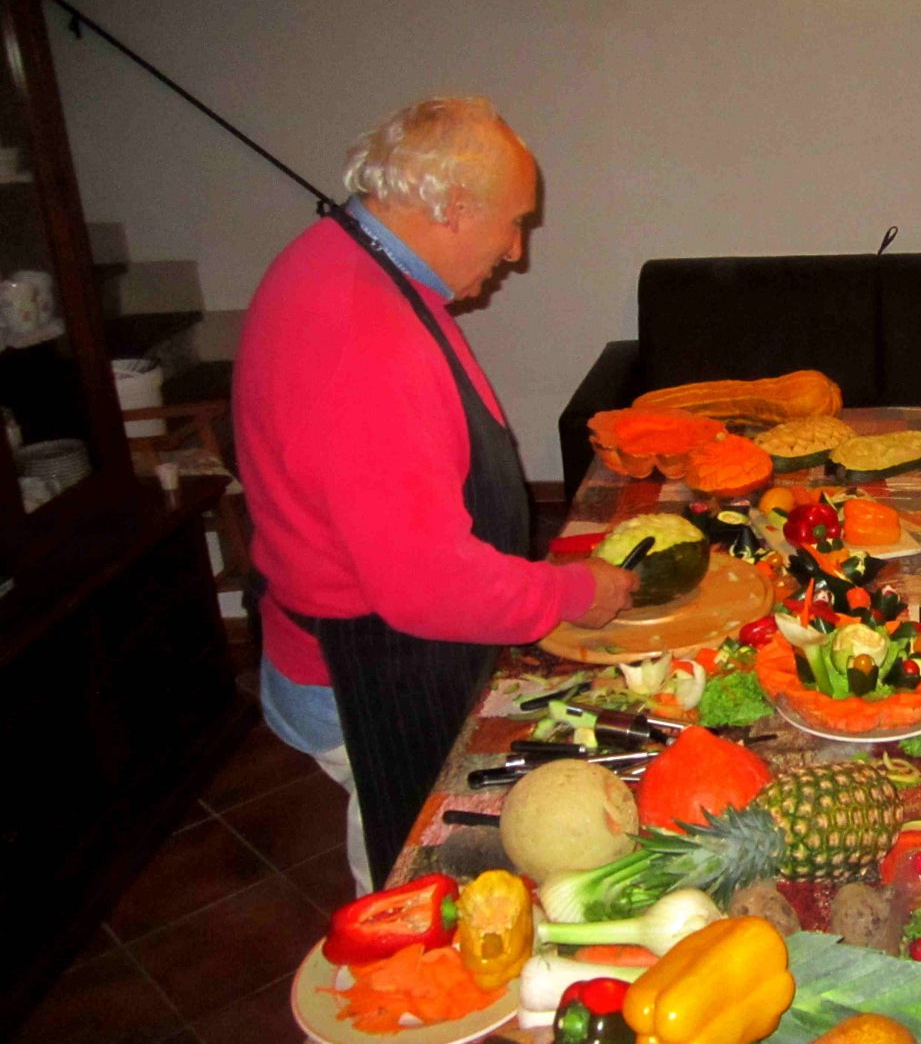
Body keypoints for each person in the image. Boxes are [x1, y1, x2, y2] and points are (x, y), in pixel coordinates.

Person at [235, 96, 636, 891]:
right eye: (513, 223)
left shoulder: (340, 257)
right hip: (367, 675)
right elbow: (430, 586)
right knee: (411, 878)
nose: (516, 250)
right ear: (453, 207)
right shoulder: (364, 333)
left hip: (361, 645)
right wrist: (571, 592)